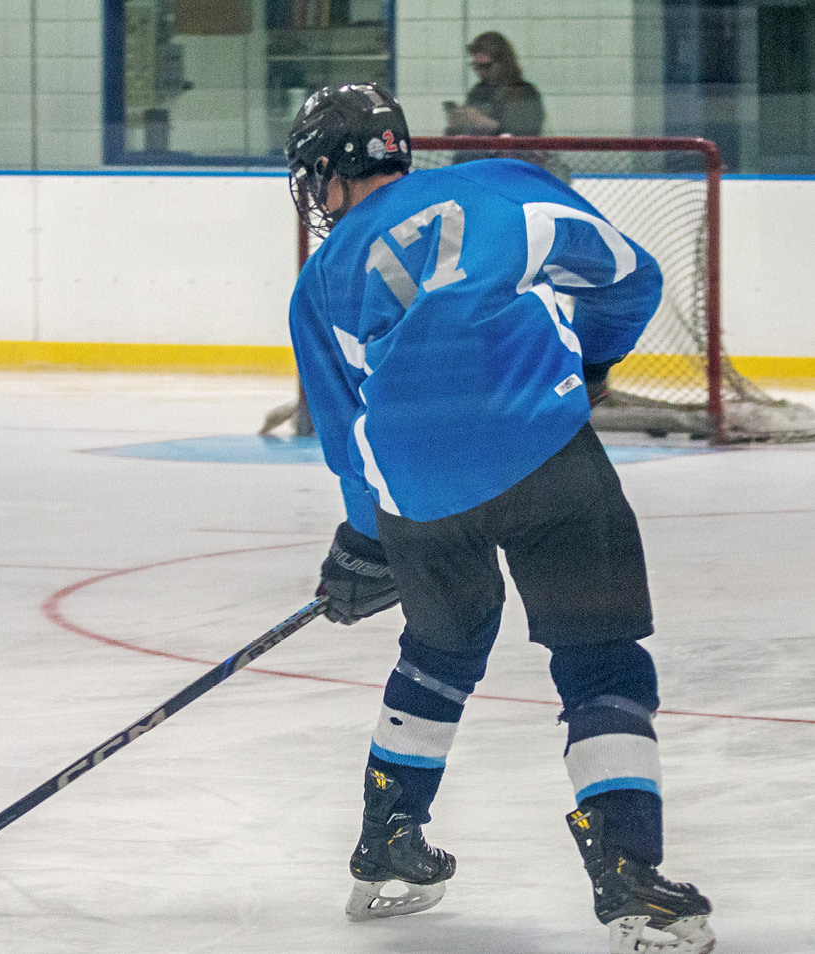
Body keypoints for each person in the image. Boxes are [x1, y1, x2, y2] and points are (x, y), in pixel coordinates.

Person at [283, 85, 715, 954]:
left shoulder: (320, 282)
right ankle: (629, 877)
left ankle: (388, 844)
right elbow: (629, 276)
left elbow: (343, 435)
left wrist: (366, 543)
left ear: (330, 173)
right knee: (600, 662)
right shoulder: (502, 186)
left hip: (417, 492)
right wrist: (591, 362)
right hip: (545, 453)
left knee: (439, 650)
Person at [444, 31, 544, 142]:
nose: (480, 72)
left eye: (485, 66)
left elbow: (528, 133)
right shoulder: (478, 91)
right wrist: (455, 126)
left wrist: (488, 125)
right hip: (479, 156)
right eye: (475, 66)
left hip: (513, 157)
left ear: (503, 63)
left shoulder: (525, 92)